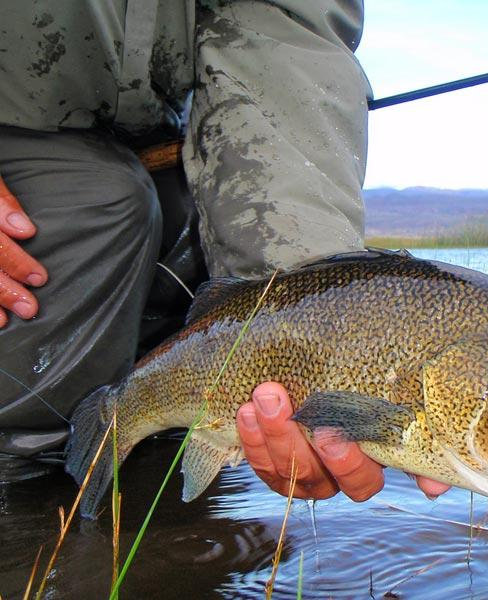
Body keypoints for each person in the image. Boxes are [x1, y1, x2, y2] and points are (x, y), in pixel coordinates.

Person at [0, 1, 449, 502]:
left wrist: (291, 291)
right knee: (109, 206)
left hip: (151, 137)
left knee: (189, 214)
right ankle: (33, 517)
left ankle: (146, 486)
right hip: (44, 159)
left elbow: (279, 36)